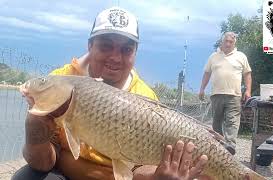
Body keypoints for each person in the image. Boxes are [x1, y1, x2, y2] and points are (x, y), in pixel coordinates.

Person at [12, 7, 209, 180]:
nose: (115, 57)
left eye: (126, 49)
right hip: (67, 176)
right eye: (106, 45)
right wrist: (35, 133)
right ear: (90, 46)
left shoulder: (146, 99)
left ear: (135, 53)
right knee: (27, 177)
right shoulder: (61, 80)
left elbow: (137, 173)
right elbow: (43, 163)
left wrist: (159, 176)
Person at [199, 32, 252, 155]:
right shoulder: (213, 56)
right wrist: (202, 89)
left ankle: (230, 145)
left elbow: (247, 74)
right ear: (221, 42)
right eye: (226, 41)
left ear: (234, 43)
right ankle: (219, 144)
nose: (228, 44)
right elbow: (207, 73)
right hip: (216, 94)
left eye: (231, 42)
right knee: (216, 121)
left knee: (232, 120)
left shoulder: (241, 56)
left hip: (234, 95)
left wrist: (248, 90)